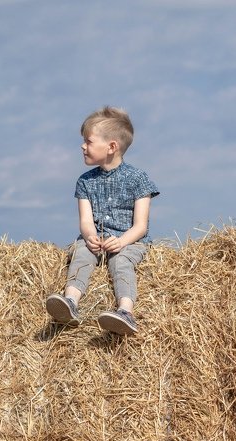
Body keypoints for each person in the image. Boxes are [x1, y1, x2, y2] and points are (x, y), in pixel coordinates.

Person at [45, 106, 159, 335]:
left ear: (111, 147)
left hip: (130, 241)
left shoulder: (139, 179)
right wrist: (90, 237)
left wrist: (121, 241)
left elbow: (141, 226)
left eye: (88, 141)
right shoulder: (85, 182)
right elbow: (86, 221)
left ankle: (125, 311)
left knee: (121, 262)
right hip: (97, 240)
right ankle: (70, 302)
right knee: (81, 253)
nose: (82, 146)